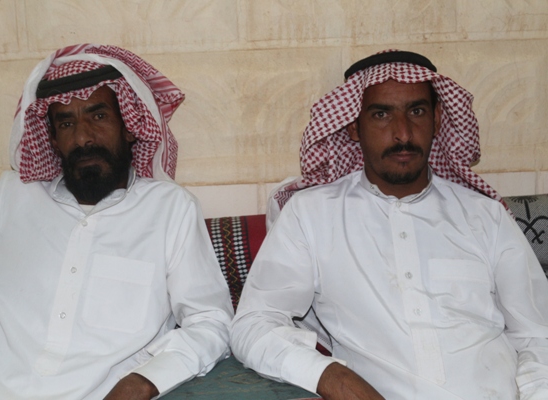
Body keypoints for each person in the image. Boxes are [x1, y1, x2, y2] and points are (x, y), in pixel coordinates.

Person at [230, 50, 548, 399]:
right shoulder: (311, 215)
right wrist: (331, 377)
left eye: (417, 111)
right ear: (353, 126)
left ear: (437, 119)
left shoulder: (486, 216)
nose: (403, 133)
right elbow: (253, 324)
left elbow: (538, 336)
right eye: (381, 114)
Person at [0, 43, 233, 399]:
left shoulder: (170, 210)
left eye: (98, 117)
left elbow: (210, 321)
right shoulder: (9, 198)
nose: (83, 137)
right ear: (52, 140)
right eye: (66, 123)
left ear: (129, 126)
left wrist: (145, 380)